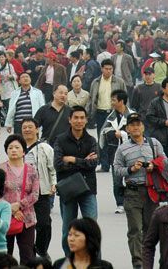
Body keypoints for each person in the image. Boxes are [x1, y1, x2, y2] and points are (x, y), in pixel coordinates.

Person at [113, 112, 168, 269]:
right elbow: (116, 170)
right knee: (135, 230)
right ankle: (138, 263)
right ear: (127, 129)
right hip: (132, 193)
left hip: (151, 192)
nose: (136, 127)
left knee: (150, 230)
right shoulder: (122, 149)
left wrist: (154, 165)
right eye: (132, 125)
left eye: (138, 124)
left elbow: (165, 161)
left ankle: (147, 261)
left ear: (143, 127)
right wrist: (131, 169)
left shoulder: (154, 144)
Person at [53, 106, 99, 256]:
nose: (79, 121)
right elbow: (58, 165)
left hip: (88, 189)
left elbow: (93, 164)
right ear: (70, 120)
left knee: (91, 227)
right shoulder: (60, 140)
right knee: (68, 230)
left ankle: (94, 262)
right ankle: (70, 260)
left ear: (86, 120)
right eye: (76, 118)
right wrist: (83, 161)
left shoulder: (91, 140)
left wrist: (72, 159)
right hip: (68, 189)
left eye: (82, 118)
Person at [0, 134, 39, 264]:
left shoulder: (32, 170)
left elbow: (35, 194)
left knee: (27, 256)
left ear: (23, 151)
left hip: (27, 219)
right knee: (5, 255)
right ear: (6, 151)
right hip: (5, 217)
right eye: (10, 148)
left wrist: (19, 205)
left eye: (17, 147)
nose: (13, 150)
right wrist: (12, 209)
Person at [21, 117, 57, 260]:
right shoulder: (17, 147)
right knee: (26, 226)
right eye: (24, 127)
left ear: (37, 129)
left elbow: (52, 169)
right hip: (22, 194)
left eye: (30, 127)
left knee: (44, 223)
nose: (27, 130)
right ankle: (29, 255)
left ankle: (41, 250)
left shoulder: (45, 148)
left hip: (41, 191)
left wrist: (54, 183)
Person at [88, 59, 127, 171]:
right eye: (106, 69)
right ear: (102, 69)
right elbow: (91, 99)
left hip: (115, 113)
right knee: (102, 139)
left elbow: (125, 99)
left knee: (116, 138)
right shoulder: (96, 82)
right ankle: (104, 165)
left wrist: (125, 113)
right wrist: (90, 114)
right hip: (100, 113)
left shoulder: (119, 82)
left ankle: (116, 163)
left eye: (111, 69)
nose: (108, 71)